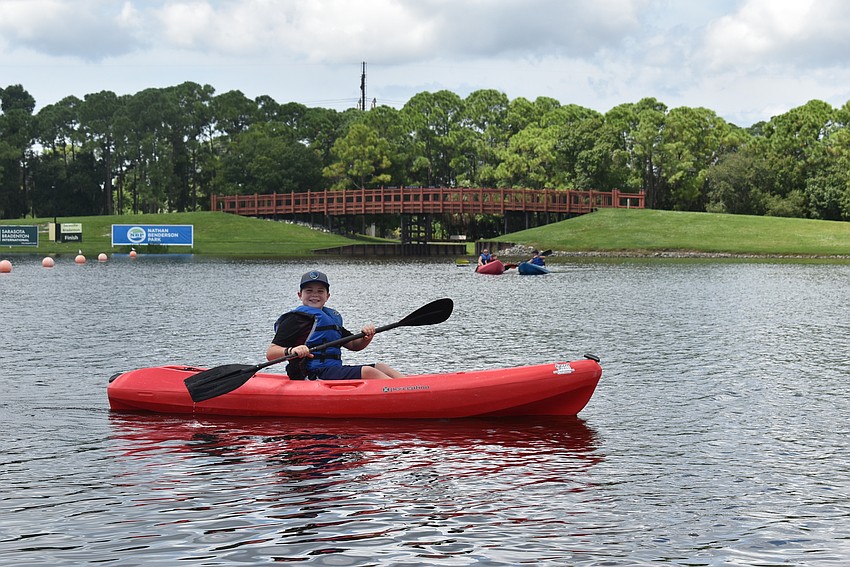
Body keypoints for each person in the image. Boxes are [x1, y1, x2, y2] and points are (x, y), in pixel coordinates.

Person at [266, 270, 404, 380]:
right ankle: (403, 393)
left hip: (331, 370)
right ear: (299, 295)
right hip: (310, 373)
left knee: (381, 367)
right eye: (309, 291)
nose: (315, 295)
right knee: (368, 372)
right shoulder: (295, 319)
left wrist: (367, 337)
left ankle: (410, 386)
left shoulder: (330, 318)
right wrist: (292, 351)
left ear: (327, 296)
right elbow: (271, 353)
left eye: (320, 291)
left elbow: (354, 345)